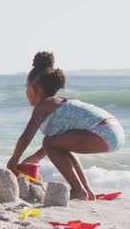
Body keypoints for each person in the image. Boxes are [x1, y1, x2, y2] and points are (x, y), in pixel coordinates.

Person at [7, 51, 125, 200]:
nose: (25, 91)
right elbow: (60, 142)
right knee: (57, 144)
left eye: (26, 86)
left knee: (49, 142)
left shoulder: (44, 105)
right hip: (114, 132)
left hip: (103, 132)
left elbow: (26, 136)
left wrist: (14, 160)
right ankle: (86, 191)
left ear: (34, 87)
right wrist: (36, 157)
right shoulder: (58, 104)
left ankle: (78, 190)